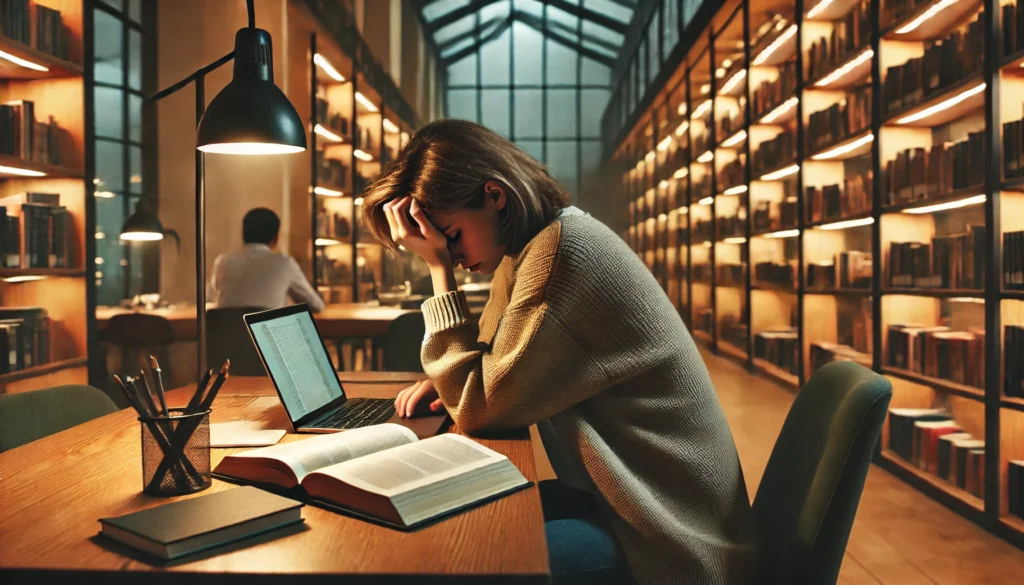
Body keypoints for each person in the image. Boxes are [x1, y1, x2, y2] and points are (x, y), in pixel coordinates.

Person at [360, 119, 756, 584]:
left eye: (450, 235)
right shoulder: (533, 247)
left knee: (463, 556)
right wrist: (458, 373)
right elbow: (486, 365)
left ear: (494, 194)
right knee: (453, 523)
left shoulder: (562, 255)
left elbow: (478, 406)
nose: (452, 254)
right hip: (630, 508)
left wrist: (438, 271)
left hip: (671, 542)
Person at [208, 207, 325, 312]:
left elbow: (215, 294)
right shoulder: (284, 263)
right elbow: (316, 305)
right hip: (265, 334)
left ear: (243, 234)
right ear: (276, 237)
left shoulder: (223, 261)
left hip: (224, 335)